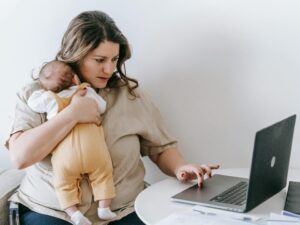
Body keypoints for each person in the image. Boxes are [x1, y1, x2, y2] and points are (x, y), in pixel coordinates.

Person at [6, 10, 219, 225]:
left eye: (114, 59)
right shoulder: (37, 95)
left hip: (123, 211)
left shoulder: (130, 95)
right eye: (100, 60)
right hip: (51, 211)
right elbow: (20, 157)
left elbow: (160, 147)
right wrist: (71, 115)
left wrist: (180, 167)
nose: (109, 69)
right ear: (76, 55)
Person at [27, 60, 117, 225]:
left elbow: (32, 102)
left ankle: (74, 214)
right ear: (75, 78)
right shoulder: (86, 91)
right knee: (104, 175)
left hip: (65, 156)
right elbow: (102, 107)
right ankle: (104, 208)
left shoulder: (51, 99)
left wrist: (43, 89)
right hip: (94, 150)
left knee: (63, 184)